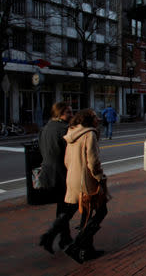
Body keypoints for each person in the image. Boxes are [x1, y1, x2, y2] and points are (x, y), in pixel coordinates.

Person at [40, 109, 109, 263]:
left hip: (73, 178)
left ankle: (51, 237)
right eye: (95, 117)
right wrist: (99, 177)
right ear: (89, 120)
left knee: (77, 211)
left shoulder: (71, 134)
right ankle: (78, 246)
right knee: (98, 211)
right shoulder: (89, 134)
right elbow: (93, 161)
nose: (98, 119)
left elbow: (66, 160)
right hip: (86, 181)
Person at [39, 102, 73, 253]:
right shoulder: (64, 130)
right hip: (61, 173)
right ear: (59, 113)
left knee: (62, 205)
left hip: (47, 172)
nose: (71, 115)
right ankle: (51, 235)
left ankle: (64, 238)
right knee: (70, 205)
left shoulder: (45, 128)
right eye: (68, 112)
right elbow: (69, 154)